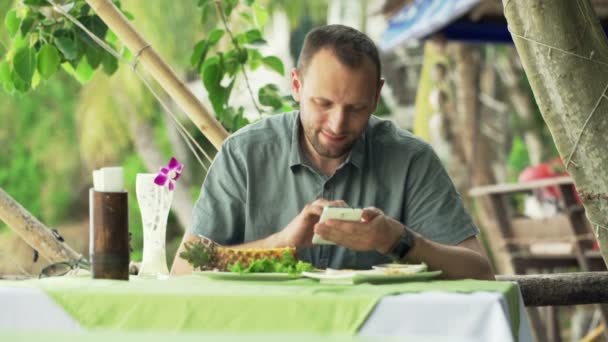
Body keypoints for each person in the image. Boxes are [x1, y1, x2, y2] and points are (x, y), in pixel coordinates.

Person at [171, 24, 494, 280]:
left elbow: (480, 272)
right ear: (296, 86)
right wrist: (278, 245)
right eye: (323, 104)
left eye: (356, 107)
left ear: (377, 94)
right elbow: (186, 268)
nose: (337, 124)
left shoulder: (410, 159)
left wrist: (396, 240)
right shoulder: (244, 153)